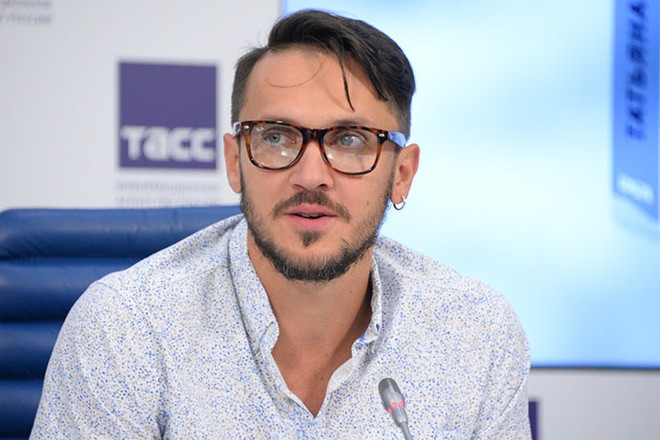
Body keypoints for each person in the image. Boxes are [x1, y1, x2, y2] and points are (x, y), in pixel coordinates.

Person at [31, 9, 530, 439]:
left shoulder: (475, 335)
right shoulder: (126, 327)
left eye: (350, 140)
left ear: (401, 174)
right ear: (234, 162)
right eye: (276, 136)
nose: (310, 176)